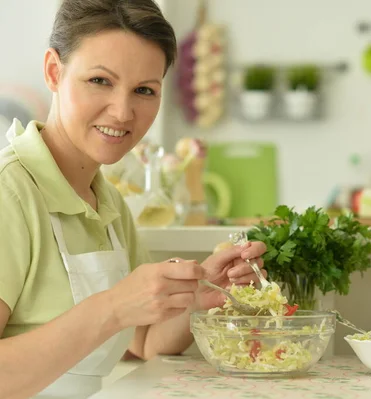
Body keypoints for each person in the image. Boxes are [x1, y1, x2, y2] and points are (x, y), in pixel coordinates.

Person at [0, 1, 267, 398]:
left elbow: (143, 342)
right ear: (54, 72)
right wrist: (115, 306)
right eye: (100, 81)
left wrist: (196, 297)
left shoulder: (106, 203)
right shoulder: (10, 192)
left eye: (144, 90)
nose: (123, 111)